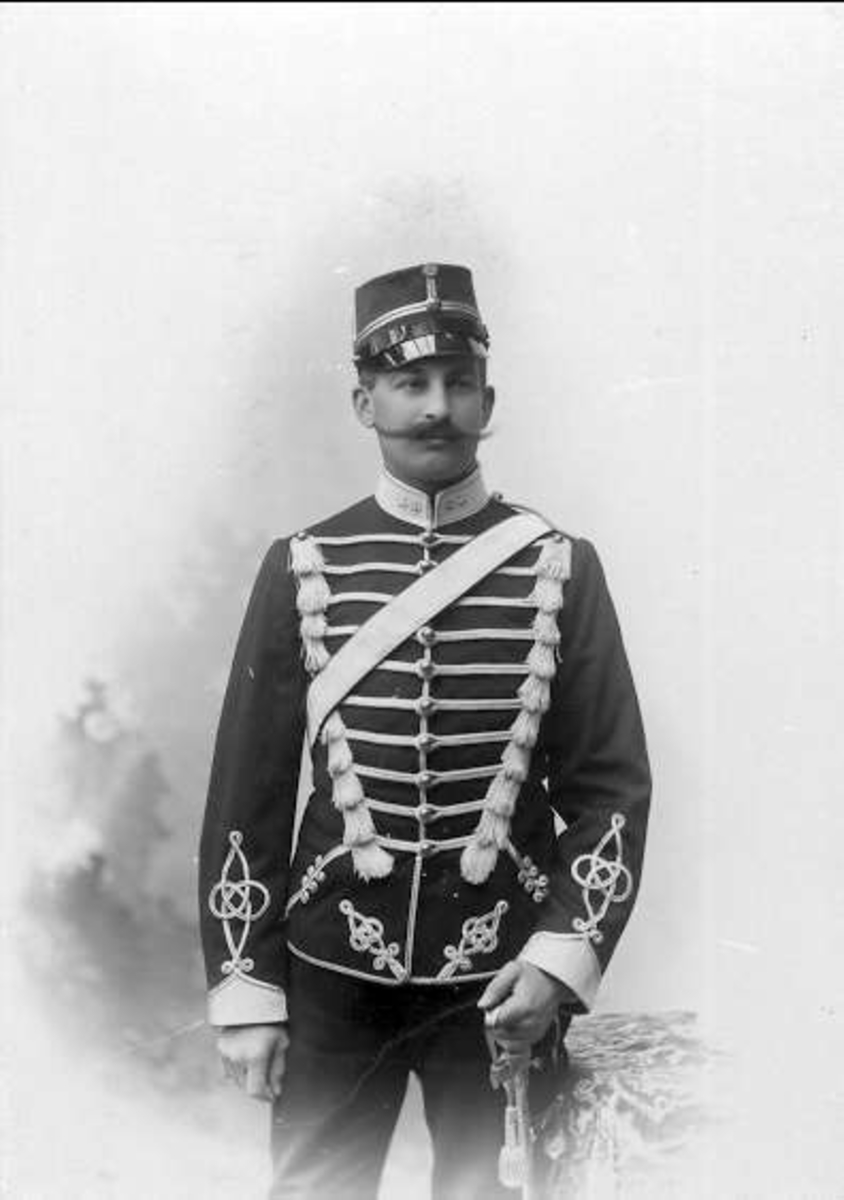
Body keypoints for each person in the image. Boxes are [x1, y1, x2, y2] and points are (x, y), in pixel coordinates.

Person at [198, 262, 651, 1199]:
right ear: (365, 402)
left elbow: (610, 788)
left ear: (489, 400)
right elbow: (247, 793)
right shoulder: (303, 564)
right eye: (410, 383)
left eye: (458, 383)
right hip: (329, 970)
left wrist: (559, 962)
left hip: (502, 979)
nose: (437, 408)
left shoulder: (562, 567)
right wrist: (246, 992)